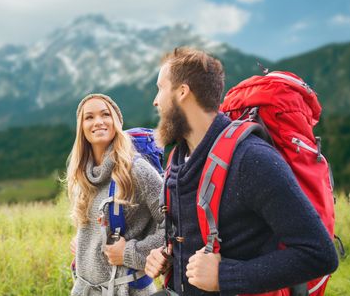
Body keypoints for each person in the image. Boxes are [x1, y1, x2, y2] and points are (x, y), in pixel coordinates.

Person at [144, 47, 338, 295]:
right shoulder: (177, 159)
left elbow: (319, 255)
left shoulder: (251, 159)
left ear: (182, 92)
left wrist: (225, 276)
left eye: (160, 88)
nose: (155, 100)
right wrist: (167, 256)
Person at [67, 93, 164, 296]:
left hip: (127, 290)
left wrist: (130, 252)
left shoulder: (137, 171)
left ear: (116, 122)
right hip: (85, 289)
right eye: (89, 117)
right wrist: (84, 240)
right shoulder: (83, 176)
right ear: (81, 127)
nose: (99, 122)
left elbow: (176, 225)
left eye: (105, 114)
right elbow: (96, 225)